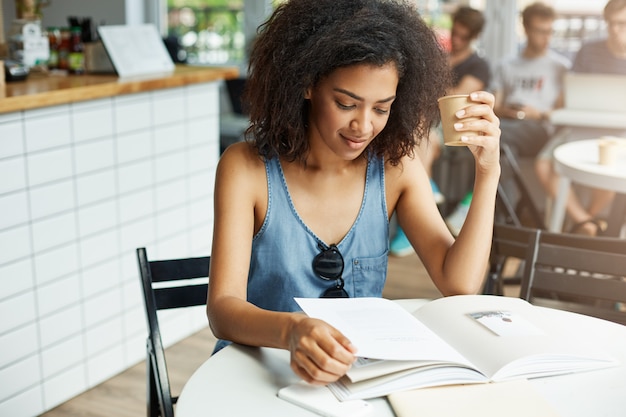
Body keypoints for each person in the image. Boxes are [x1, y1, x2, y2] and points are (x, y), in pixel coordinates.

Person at [207, 0, 501, 386]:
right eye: (346, 103)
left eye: (382, 108)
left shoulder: (396, 167)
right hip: (254, 374)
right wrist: (292, 330)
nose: (363, 125)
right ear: (307, 83)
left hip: (349, 381)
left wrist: (488, 172)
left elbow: (458, 283)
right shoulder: (245, 169)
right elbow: (222, 310)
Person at [391, 5, 492, 253]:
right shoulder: (438, 59)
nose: (456, 40)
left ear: (474, 37)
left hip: (454, 126)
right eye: (454, 33)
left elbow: (456, 98)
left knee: (420, 137)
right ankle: (425, 193)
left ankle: (416, 211)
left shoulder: (478, 65)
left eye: (463, 37)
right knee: (413, 132)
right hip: (424, 120)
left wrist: (427, 86)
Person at [534, 0, 626, 235]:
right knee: (544, 165)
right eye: (610, 23)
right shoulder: (588, 50)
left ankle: (582, 226)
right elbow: (569, 93)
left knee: (608, 169)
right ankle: (586, 223)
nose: (614, 29)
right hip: (578, 126)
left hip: (618, 132)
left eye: (621, 23)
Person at [491, 2, 570, 159]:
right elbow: (495, 107)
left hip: (540, 127)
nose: (546, 37)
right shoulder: (506, 65)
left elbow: (562, 111)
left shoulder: (561, 68)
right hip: (508, 122)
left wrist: (537, 115)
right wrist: (509, 111)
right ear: (526, 29)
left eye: (550, 31)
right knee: (504, 146)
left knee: (494, 135)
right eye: (540, 31)